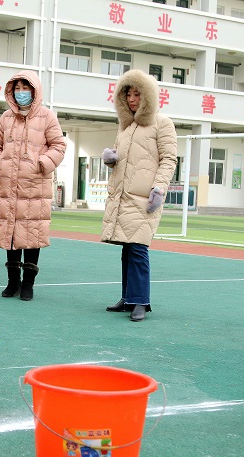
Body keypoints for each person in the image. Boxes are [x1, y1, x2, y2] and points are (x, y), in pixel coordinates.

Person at [101, 69, 177, 322]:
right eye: (128, 94)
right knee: (127, 246)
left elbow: (168, 159)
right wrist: (110, 158)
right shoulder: (125, 126)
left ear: (148, 96)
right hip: (122, 195)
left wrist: (159, 188)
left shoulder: (162, 123)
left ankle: (141, 300)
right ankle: (128, 297)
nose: (132, 99)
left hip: (145, 197)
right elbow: (121, 157)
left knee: (138, 247)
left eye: (137, 94)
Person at [0, 70, 66, 301]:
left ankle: (28, 283)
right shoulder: (6, 118)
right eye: (17, 89)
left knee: (32, 234)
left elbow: (59, 146)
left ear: (35, 90)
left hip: (35, 187)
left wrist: (41, 163)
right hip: (8, 185)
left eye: (26, 88)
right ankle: (13, 281)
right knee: (10, 234)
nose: (21, 93)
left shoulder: (47, 116)